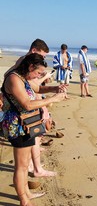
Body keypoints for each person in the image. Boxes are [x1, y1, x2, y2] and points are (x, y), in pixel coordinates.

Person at [1, 53, 67, 206]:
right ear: (30, 67)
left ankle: (26, 193)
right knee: (21, 166)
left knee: (24, 165)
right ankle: (24, 200)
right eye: (38, 72)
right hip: (18, 126)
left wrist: (55, 88)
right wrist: (53, 99)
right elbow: (27, 104)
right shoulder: (14, 79)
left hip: (27, 125)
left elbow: (37, 88)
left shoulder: (24, 78)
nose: (39, 76)